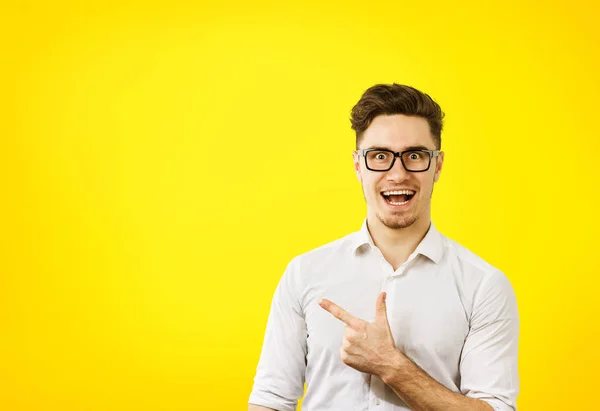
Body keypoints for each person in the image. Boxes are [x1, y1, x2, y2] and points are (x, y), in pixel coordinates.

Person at [248, 84, 519, 411]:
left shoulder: (483, 285)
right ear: (358, 165)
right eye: (379, 156)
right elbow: (271, 401)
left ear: (438, 165)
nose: (397, 173)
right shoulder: (305, 273)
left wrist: (391, 365)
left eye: (415, 156)